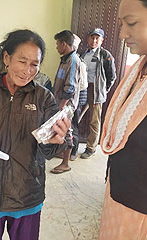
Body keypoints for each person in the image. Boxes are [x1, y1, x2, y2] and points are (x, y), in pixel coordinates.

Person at [0, 29, 71, 240]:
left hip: (27, 194)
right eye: (22, 61)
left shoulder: (44, 98)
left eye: (34, 64)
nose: (27, 71)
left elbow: (50, 146)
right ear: (6, 58)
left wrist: (58, 139)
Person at [98, 0, 147, 239]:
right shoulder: (140, 71)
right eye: (121, 24)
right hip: (117, 197)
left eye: (131, 23)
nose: (122, 34)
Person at [80, 27, 116, 159]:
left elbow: (112, 76)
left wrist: (103, 90)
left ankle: (91, 148)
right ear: (88, 39)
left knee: (94, 121)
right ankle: (71, 145)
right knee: (77, 116)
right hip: (83, 89)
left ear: (101, 40)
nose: (94, 40)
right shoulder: (84, 54)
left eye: (97, 38)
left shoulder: (105, 55)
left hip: (96, 90)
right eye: (92, 37)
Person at [50, 30, 81, 174]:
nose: (56, 47)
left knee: (67, 130)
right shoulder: (64, 59)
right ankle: (62, 153)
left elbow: (70, 88)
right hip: (60, 102)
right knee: (59, 129)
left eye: (57, 44)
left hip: (66, 104)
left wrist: (61, 106)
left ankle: (65, 163)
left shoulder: (73, 61)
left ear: (64, 43)